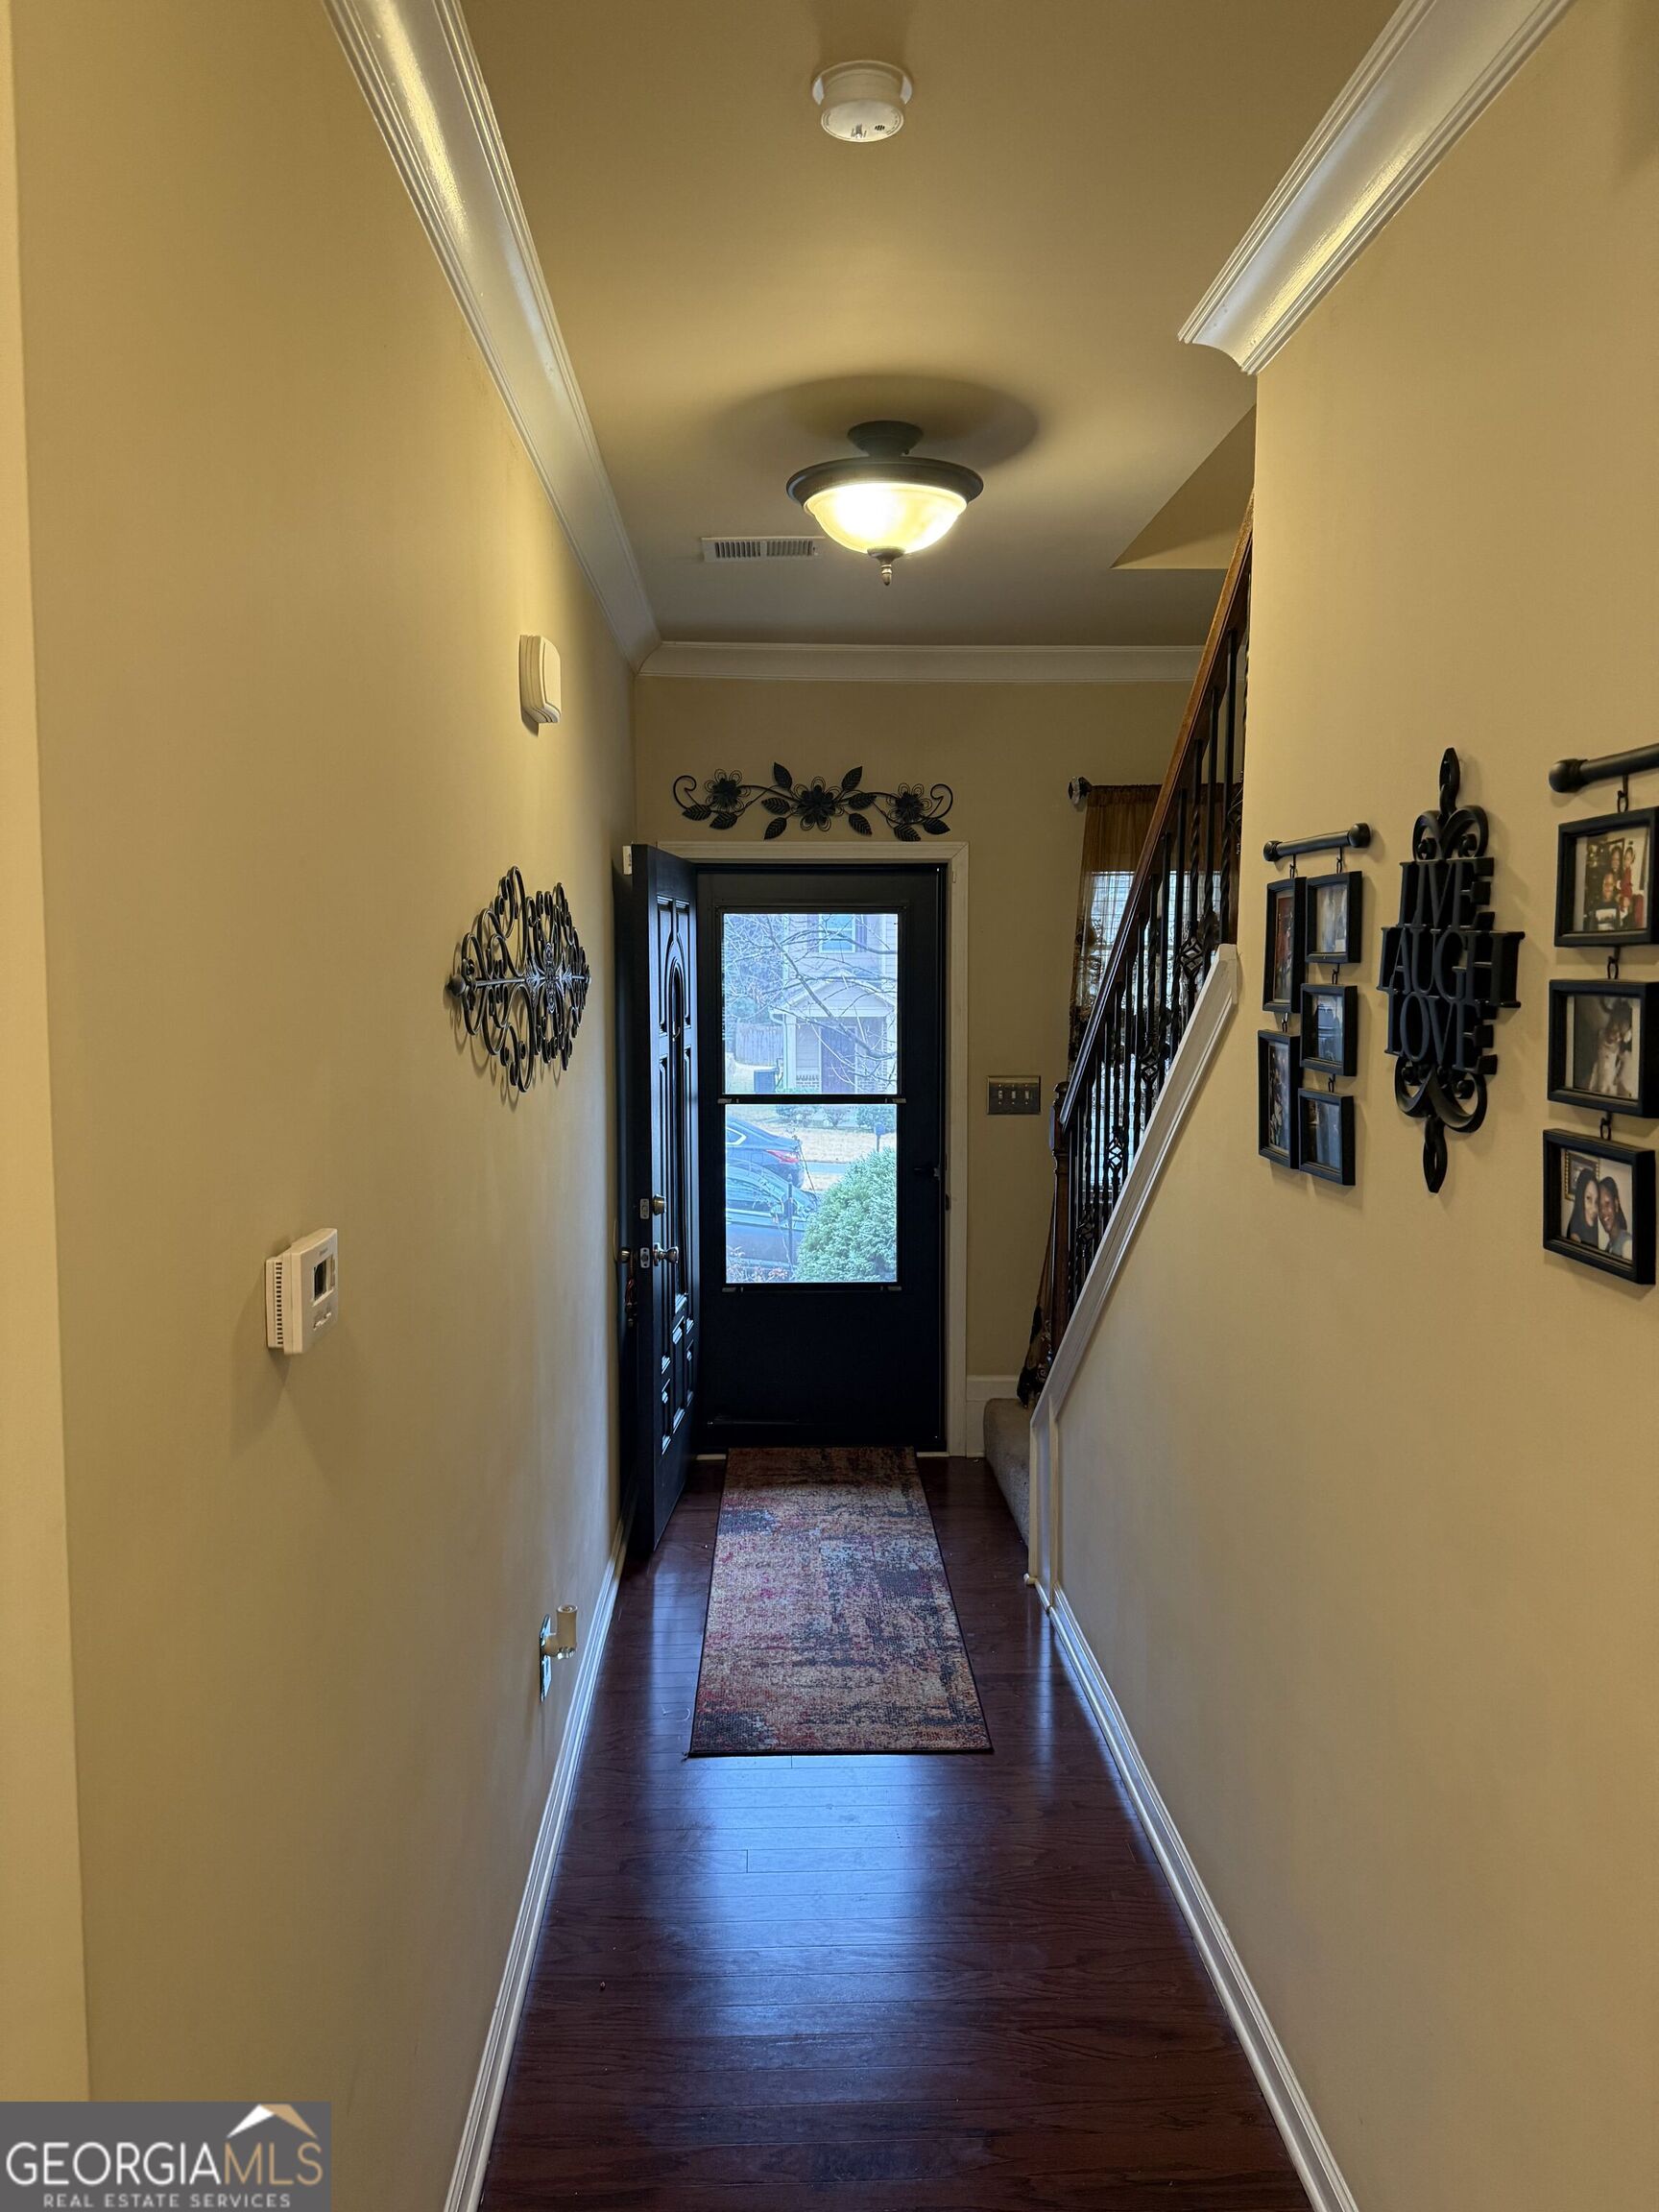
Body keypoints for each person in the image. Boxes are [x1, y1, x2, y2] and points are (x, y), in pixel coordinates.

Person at [1599, 1176, 1632, 1261]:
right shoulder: (1610, 1245)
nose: (1603, 1212)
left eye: (1607, 1204)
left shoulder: (1627, 1244)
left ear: (1616, 1205)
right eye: (1599, 1207)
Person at [1567, 1166, 1601, 1245]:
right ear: (1580, 1199)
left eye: (1596, 1201)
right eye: (1589, 1198)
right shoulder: (1575, 1238)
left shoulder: (1589, 1232)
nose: (1594, 1209)